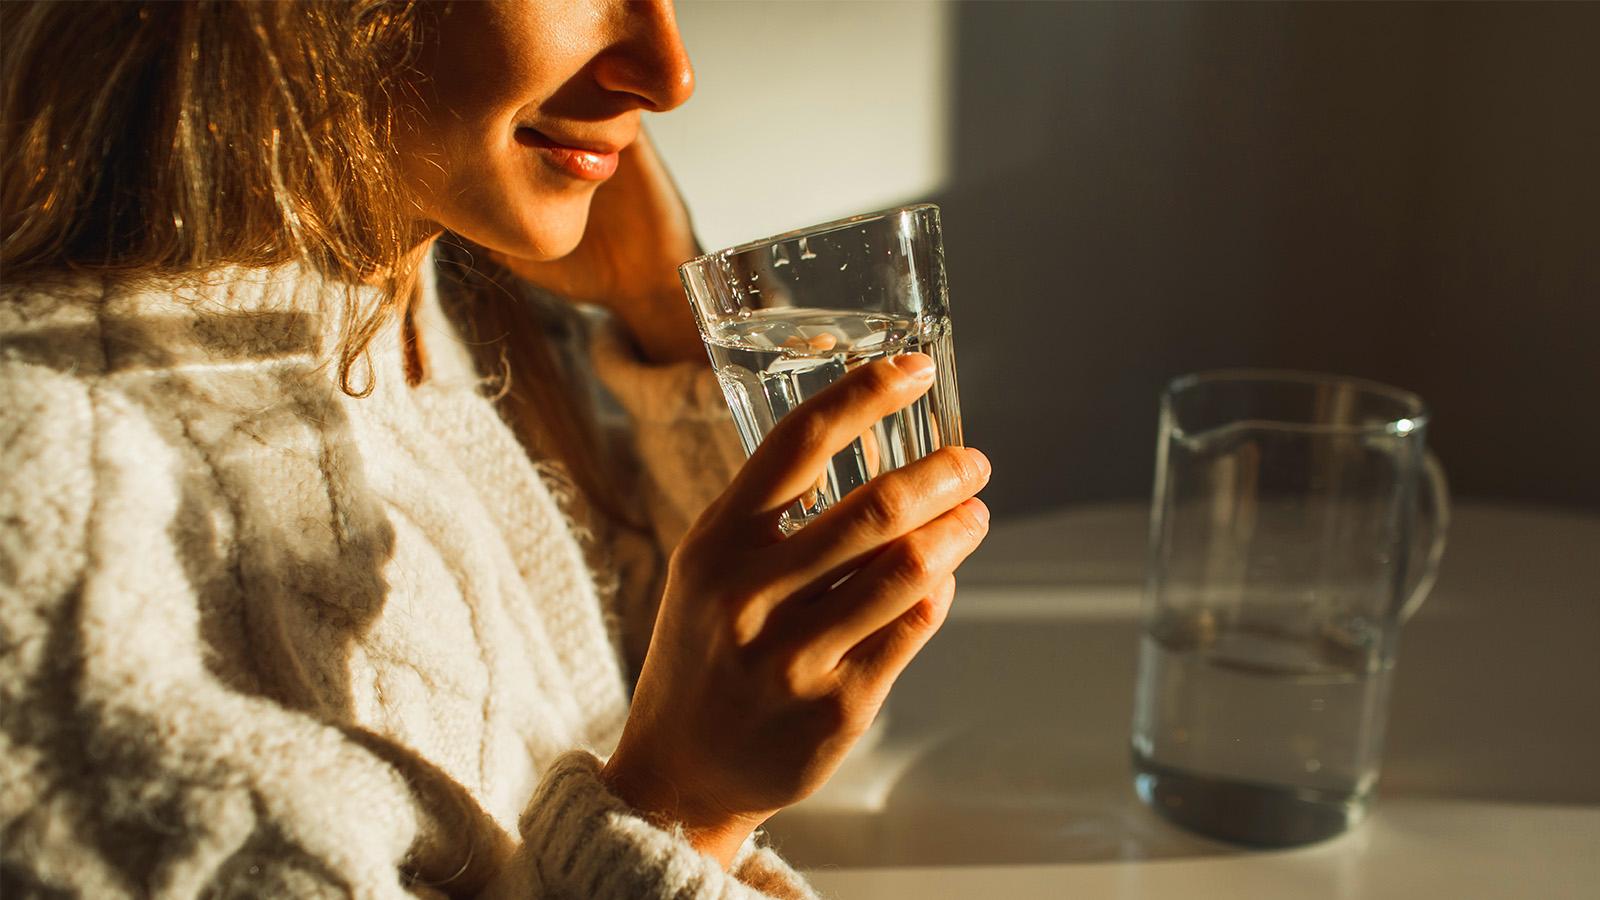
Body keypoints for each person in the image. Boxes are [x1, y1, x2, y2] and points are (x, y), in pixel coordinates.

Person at [0, 1, 992, 896]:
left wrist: (661, 312)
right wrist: (685, 809)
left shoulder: (413, 324)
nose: (668, 73)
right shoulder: (57, 486)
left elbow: (641, 704)